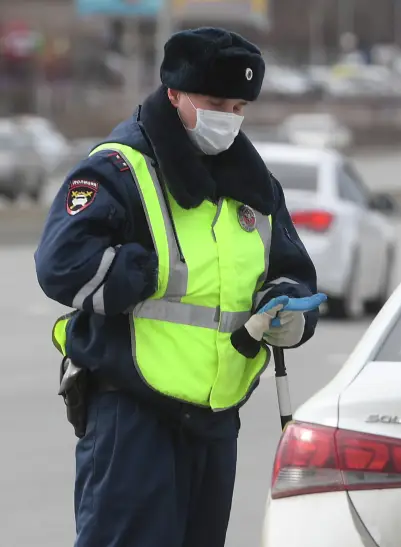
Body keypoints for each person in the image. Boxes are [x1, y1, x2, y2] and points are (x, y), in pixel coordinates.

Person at [34, 27, 324, 547]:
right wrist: (135, 275)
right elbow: (60, 263)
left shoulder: (253, 184)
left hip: (216, 418)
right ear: (175, 93)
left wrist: (284, 307)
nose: (228, 119)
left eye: (239, 107)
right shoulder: (119, 168)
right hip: (133, 413)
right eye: (216, 102)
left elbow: (290, 266)